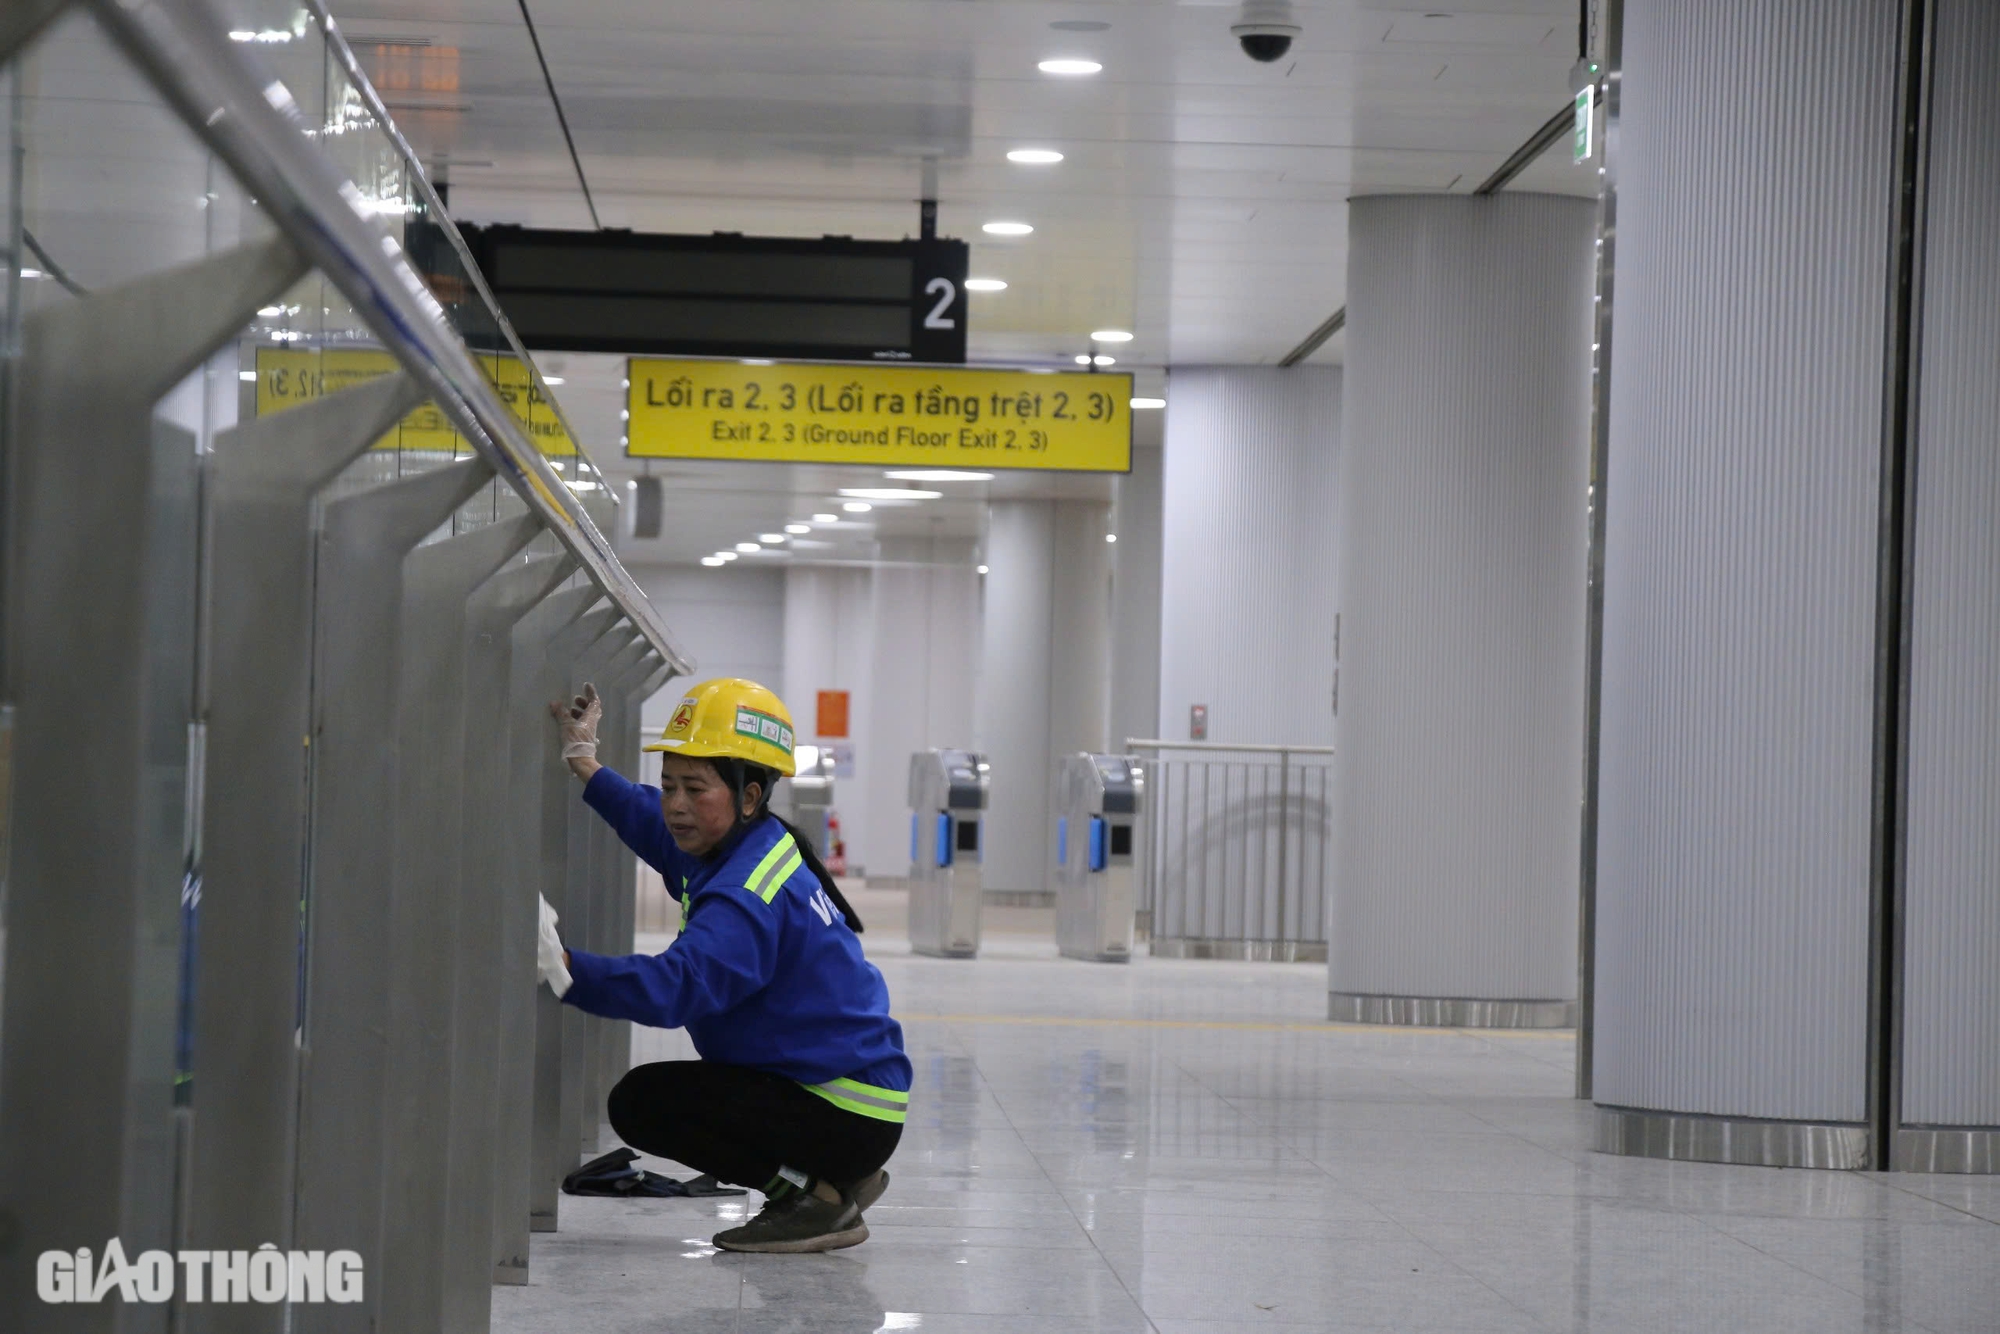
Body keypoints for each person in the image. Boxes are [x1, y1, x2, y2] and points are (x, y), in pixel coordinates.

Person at [537, 676, 908, 1254]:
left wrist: (564, 968)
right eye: (669, 786)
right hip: (845, 1093)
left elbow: (676, 988)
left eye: (694, 789)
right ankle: (840, 1175)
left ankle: (809, 1197)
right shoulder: (739, 842)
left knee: (645, 1104)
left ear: (750, 795)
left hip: (844, 1109)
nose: (675, 805)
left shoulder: (745, 893)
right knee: (681, 1094)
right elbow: (648, 820)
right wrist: (584, 760)